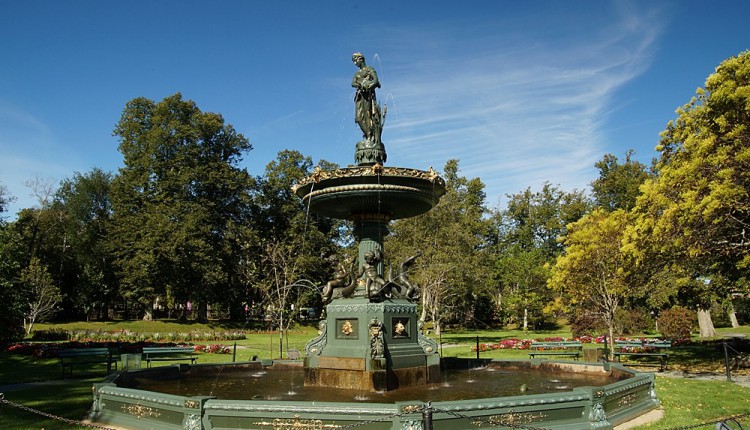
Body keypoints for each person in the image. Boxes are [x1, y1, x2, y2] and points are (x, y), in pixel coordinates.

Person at [351, 52, 382, 144]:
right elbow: (352, 83)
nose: (355, 63)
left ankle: (371, 137)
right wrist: (359, 84)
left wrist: (369, 85)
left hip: (368, 96)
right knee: (358, 118)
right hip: (360, 97)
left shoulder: (369, 69)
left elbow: (376, 80)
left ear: (361, 59)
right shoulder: (357, 73)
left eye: (355, 60)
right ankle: (368, 135)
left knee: (368, 116)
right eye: (354, 61)